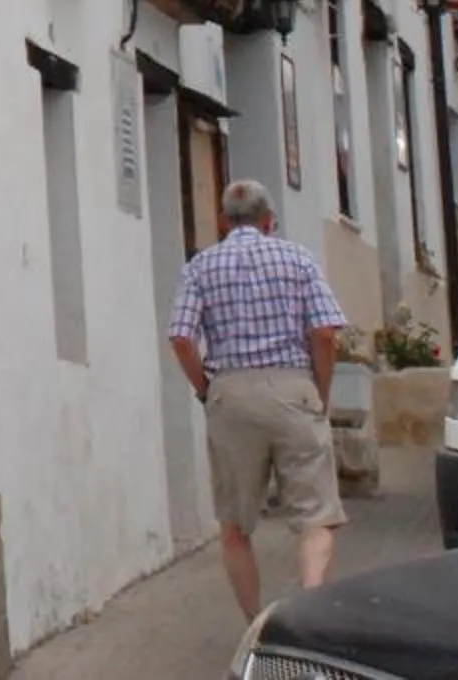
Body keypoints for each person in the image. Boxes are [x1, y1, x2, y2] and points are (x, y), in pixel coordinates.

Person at [169, 179, 349, 617]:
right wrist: (320, 392)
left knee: (235, 526)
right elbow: (325, 333)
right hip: (294, 388)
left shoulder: (200, 267)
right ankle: (307, 610)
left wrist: (205, 389)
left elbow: (181, 337)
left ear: (223, 222)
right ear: (270, 221)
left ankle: (254, 626)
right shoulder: (299, 259)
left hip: (231, 395)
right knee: (316, 516)